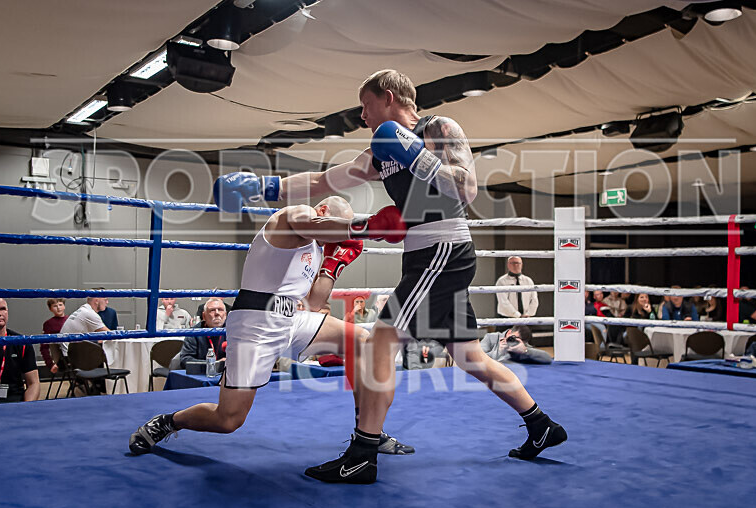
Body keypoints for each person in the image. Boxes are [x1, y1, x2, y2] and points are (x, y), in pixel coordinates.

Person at [212, 69, 566, 483]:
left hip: (442, 249)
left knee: (380, 340)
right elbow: (325, 180)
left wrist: (415, 152)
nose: (362, 116)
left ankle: (363, 454)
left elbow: (466, 190)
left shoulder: (439, 128)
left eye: (366, 105)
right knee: (470, 357)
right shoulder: (381, 150)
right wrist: (262, 187)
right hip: (427, 257)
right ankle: (542, 427)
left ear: (390, 96)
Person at [129, 196, 415, 459]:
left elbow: (314, 302)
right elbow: (317, 225)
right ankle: (169, 421)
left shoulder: (317, 249)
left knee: (362, 340)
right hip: (256, 323)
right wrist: (362, 228)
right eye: (337, 226)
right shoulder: (295, 216)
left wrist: (333, 263)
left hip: (292, 318)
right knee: (228, 420)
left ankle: (367, 431)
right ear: (324, 212)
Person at [0, 298, 40, 404]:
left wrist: (26, 406)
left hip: (16, 403)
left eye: (3, 309)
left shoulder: (21, 342)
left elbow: (33, 383)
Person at [178, 298, 228, 369]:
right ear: (204, 316)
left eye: (220, 310)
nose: (217, 313)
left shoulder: (233, 331)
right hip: (201, 375)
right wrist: (214, 365)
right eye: (212, 310)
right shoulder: (194, 332)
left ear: (225, 315)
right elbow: (185, 360)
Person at [480, 325, 552, 364]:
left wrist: (525, 351)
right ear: (509, 333)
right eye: (514, 338)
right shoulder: (490, 338)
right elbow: (476, 358)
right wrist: (499, 352)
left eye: (518, 340)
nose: (514, 342)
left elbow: (547, 359)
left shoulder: (522, 346)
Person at [40, 298, 68, 373]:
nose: (58, 308)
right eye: (55, 306)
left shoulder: (70, 320)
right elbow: (44, 347)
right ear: (50, 309)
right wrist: (50, 364)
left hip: (76, 353)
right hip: (62, 358)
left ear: (64, 306)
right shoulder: (48, 324)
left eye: (60, 305)